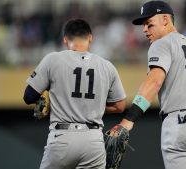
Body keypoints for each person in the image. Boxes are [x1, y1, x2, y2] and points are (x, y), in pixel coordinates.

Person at [112, 1, 186, 169]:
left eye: (149, 24)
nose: (144, 29)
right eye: (143, 25)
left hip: (182, 126)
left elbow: (155, 81)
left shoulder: (161, 43)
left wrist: (128, 120)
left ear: (165, 19)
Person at [23, 18, 126, 169]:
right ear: (90, 37)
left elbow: (28, 96)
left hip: (62, 138)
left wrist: (51, 103)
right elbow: (120, 106)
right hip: (93, 141)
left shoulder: (53, 59)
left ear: (65, 39)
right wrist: (93, 107)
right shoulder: (107, 66)